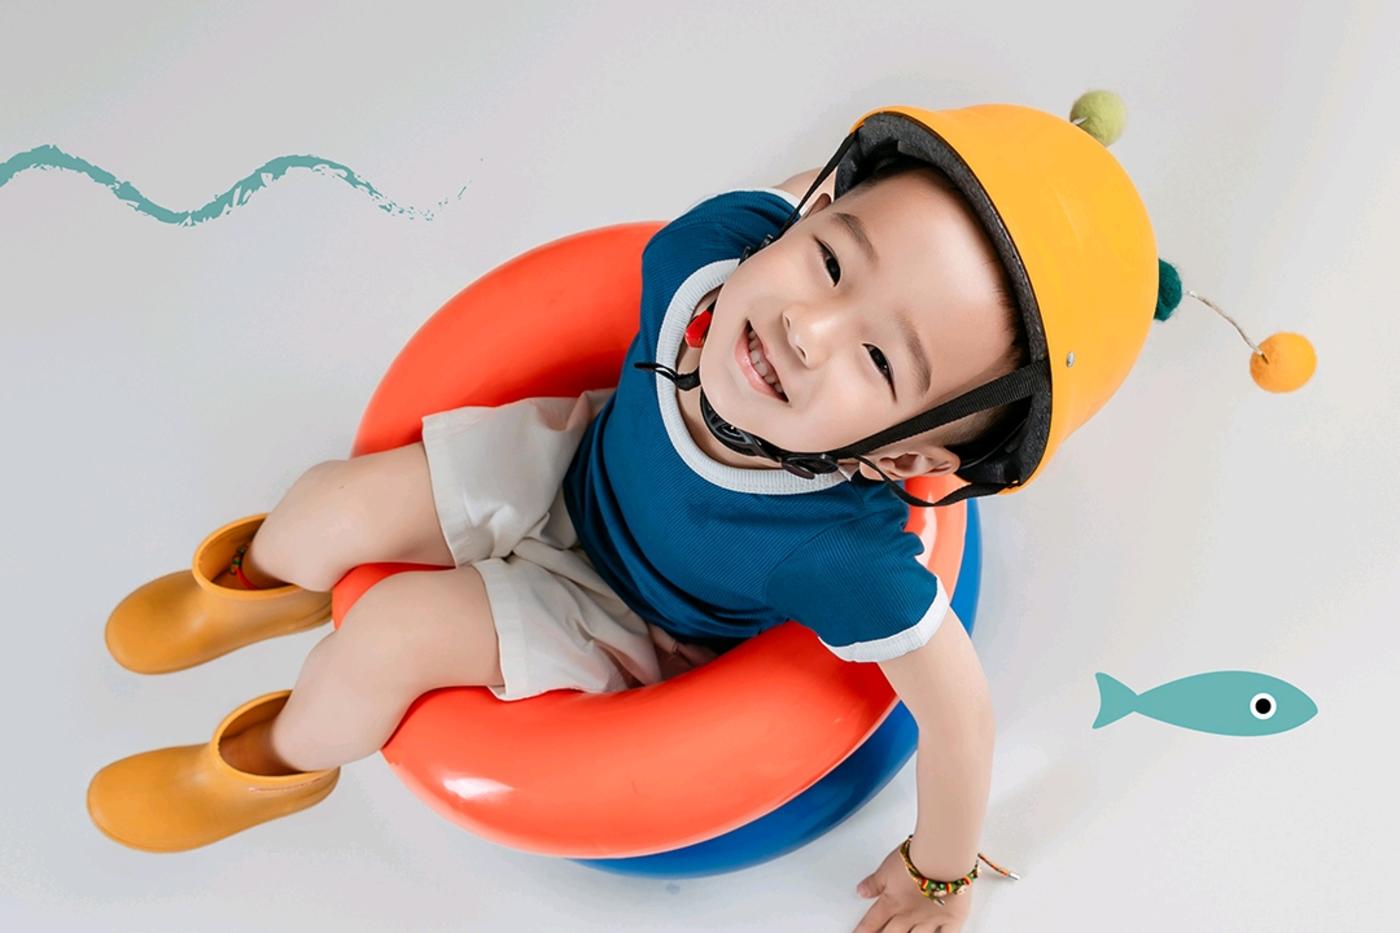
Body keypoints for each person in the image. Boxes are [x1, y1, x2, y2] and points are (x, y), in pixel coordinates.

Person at [91, 93, 1272, 929]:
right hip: (572, 457)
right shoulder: (713, 253)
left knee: (388, 637)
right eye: (832, 263)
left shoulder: (839, 548)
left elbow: (956, 713)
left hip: (625, 613)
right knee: (325, 503)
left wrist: (939, 872)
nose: (803, 328)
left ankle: (268, 764)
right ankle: (257, 594)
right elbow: (796, 218)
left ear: (905, 456)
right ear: (814, 212)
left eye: (878, 360)